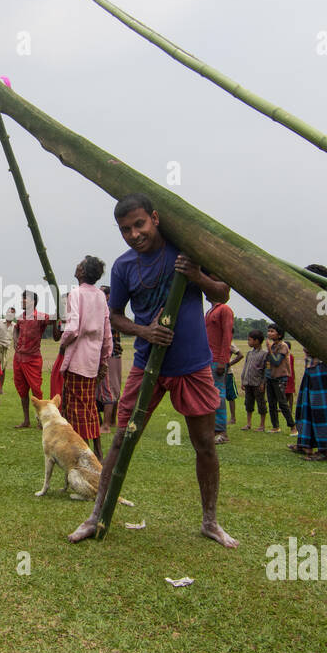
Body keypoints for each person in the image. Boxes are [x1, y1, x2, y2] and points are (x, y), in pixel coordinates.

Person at [68, 194, 237, 548]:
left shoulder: (186, 251)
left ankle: (210, 521)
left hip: (192, 363)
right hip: (148, 365)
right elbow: (114, 315)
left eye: (139, 224)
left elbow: (222, 293)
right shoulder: (124, 266)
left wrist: (195, 276)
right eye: (125, 230)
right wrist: (143, 331)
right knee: (121, 439)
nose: (134, 234)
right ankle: (96, 515)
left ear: (155, 218)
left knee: (205, 443)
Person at [58, 256, 112, 458]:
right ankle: (97, 452)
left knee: (76, 410)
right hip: (93, 360)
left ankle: (85, 456)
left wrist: (63, 345)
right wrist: (104, 358)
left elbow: (72, 329)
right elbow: (106, 332)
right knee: (89, 406)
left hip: (78, 360)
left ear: (82, 272)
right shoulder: (100, 296)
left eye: (79, 265)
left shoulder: (76, 294)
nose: (77, 266)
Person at [289, 265, 327, 460]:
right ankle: (306, 444)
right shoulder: (316, 298)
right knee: (307, 404)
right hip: (313, 360)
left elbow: (325, 327)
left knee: (320, 406)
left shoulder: (325, 298)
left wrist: (316, 344)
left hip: (322, 358)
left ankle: (325, 450)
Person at [12, 290, 58, 429]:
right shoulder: (21, 317)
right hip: (18, 359)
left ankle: (41, 421)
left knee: (36, 391)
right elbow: (16, 328)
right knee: (22, 390)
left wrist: (60, 306)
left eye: (25, 299)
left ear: (33, 302)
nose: (22, 301)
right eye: (22, 298)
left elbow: (54, 318)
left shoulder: (41, 317)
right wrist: (15, 340)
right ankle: (26, 420)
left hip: (33, 359)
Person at [204, 292, 236, 444]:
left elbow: (227, 335)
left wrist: (223, 360)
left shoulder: (225, 309)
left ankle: (221, 431)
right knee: (209, 395)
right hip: (207, 359)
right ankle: (212, 428)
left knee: (218, 395)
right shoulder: (209, 311)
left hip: (217, 360)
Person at [97, 285, 125, 434]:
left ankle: (106, 424)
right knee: (114, 386)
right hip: (114, 353)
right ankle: (112, 421)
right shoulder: (113, 310)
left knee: (108, 387)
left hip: (110, 354)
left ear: (107, 296)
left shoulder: (107, 311)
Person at [264, 325, 295, 433]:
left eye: (272, 331)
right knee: (271, 403)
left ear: (279, 334)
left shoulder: (283, 346)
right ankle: (275, 426)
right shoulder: (273, 346)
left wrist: (269, 349)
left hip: (280, 378)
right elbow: (268, 363)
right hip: (270, 377)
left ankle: (293, 427)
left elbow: (276, 361)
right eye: (268, 331)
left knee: (282, 402)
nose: (269, 333)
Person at [238, 329, 268, 431]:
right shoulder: (249, 353)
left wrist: (263, 383)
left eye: (249, 340)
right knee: (248, 403)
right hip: (248, 382)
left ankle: (262, 425)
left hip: (257, 383)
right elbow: (245, 367)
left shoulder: (264, 354)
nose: (248, 342)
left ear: (257, 341)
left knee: (261, 403)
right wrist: (243, 380)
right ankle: (248, 423)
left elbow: (265, 370)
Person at [0, 306, 16, 378]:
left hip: (6, 349)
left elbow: (16, 338)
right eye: (9, 312)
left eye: (12, 313)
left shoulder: (15, 326)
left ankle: (0, 387)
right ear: (6, 313)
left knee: (3, 369)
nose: (10, 314)